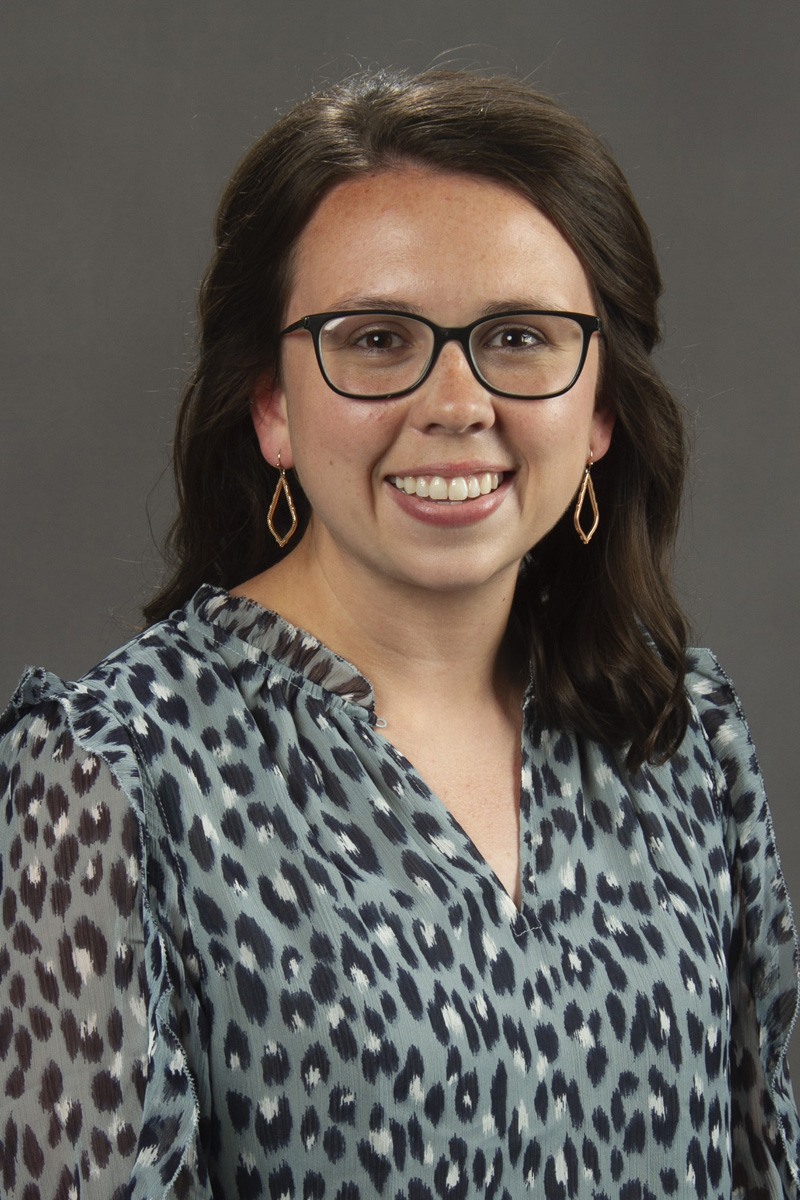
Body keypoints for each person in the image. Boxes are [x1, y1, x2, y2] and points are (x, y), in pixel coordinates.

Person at [0, 68, 798, 1200]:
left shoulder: (678, 740)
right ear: (269, 404)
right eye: (376, 339)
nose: (455, 401)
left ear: (602, 408)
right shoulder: (104, 781)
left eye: (518, 337)